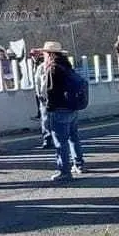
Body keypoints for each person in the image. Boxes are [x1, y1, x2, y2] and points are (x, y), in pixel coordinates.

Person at [42, 41, 85, 182]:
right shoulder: (67, 67)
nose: (43, 55)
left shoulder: (52, 69)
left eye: (45, 53)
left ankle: (64, 171)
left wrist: (48, 110)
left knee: (61, 142)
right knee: (74, 138)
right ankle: (79, 164)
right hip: (72, 108)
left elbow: (50, 91)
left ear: (50, 54)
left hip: (59, 110)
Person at [31, 48, 53, 149]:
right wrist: (39, 94)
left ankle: (57, 138)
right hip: (45, 98)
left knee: (54, 119)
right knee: (45, 120)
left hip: (58, 98)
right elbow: (37, 82)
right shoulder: (41, 67)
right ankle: (47, 139)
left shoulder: (61, 67)